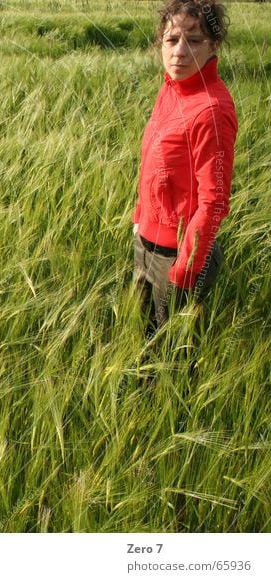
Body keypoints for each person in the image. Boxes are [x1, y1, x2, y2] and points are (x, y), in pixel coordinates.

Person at [133, 0, 238, 337]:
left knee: (172, 352)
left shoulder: (211, 111)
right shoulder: (171, 89)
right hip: (147, 242)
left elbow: (214, 202)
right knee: (143, 336)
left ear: (214, 46)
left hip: (180, 254)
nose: (179, 51)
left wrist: (185, 269)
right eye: (171, 39)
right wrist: (140, 219)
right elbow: (151, 161)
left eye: (193, 41)